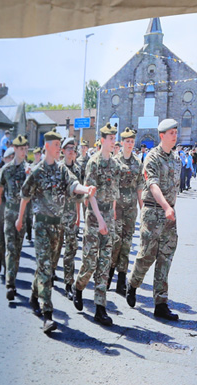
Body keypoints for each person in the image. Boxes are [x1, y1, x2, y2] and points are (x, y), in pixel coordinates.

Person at [17, 130, 95, 332]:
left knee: (47, 267)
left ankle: (34, 296)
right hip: (41, 225)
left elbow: (73, 183)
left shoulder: (62, 170)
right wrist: (20, 219)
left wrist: (86, 190)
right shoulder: (37, 171)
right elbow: (25, 196)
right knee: (46, 269)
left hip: (57, 226)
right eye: (56, 145)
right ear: (47, 147)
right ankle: (47, 315)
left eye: (60, 145)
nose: (59, 148)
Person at [126, 119, 182, 321]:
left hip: (169, 215)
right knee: (146, 256)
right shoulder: (152, 157)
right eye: (171, 133)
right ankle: (132, 284)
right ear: (162, 135)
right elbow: (153, 185)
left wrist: (171, 208)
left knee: (165, 258)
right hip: (153, 213)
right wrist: (166, 206)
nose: (175, 136)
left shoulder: (176, 159)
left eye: (176, 132)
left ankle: (161, 303)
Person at [73, 123, 125, 326]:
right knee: (89, 263)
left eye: (114, 138)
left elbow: (113, 195)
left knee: (104, 263)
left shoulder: (115, 165)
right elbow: (90, 195)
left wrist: (111, 215)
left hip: (108, 220)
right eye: (111, 138)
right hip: (94, 220)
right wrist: (101, 219)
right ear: (102, 140)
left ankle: (100, 308)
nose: (114, 142)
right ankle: (78, 288)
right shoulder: (93, 163)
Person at [0, 134, 30, 301]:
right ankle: (10, 284)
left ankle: (12, 277)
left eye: (25, 148)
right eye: (21, 149)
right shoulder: (7, 169)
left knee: (17, 250)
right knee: (10, 248)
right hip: (9, 214)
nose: (24, 151)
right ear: (15, 149)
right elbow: (0, 187)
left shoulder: (28, 170)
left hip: (22, 215)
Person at [110, 127, 144, 296]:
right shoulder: (115, 161)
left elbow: (139, 187)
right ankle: (109, 272)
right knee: (115, 241)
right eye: (127, 141)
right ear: (122, 142)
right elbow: (112, 186)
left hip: (130, 209)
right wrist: (113, 208)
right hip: (116, 208)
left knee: (127, 243)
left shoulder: (138, 162)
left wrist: (142, 207)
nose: (130, 144)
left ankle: (121, 279)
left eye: (132, 141)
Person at [56, 138, 83, 295]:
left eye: (73, 148)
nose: (71, 151)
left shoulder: (78, 170)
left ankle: (68, 282)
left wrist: (79, 216)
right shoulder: (57, 169)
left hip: (72, 215)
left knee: (71, 249)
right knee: (56, 248)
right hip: (58, 215)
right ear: (63, 151)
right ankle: (52, 271)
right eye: (68, 148)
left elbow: (79, 197)